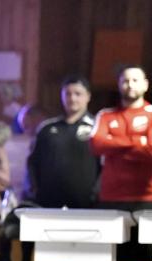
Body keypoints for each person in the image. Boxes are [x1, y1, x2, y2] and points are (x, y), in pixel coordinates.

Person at [90, 66, 152, 211]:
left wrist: (113, 146)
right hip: (111, 197)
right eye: (125, 81)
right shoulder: (105, 115)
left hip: (147, 197)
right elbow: (96, 145)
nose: (130, 85)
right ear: (119, 85)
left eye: (135, 80)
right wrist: (138, 142)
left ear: (145, 85)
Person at [25, 75, 99, 208]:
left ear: (88, 96)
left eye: (78, 94)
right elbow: (33, 163)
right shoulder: (46, 128)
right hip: (48, 203)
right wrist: (34, 190)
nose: (72, 98)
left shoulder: (98, 127)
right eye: (68, 94)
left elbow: (105, 166)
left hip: (85, 204)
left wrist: (96, 193)